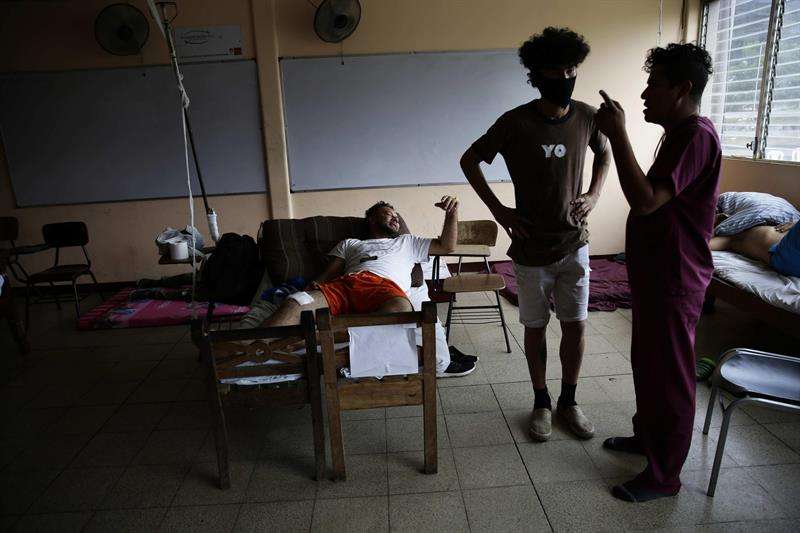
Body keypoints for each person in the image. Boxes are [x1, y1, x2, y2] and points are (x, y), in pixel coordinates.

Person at [460, 27, 611, 441]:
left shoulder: (587, 116)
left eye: (571, 68)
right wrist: (498, 209)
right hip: (529, 249)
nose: (565, 76)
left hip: (574, 243)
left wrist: (595, 194)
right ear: (536, 74)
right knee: (535, 326)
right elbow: (469, 160)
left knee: (576, 325)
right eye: (555, 70)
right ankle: (541, 401)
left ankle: (570, 401)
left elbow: (605, 152)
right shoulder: (514, 122)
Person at [594, 43, 720, 502]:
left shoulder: (695, 135)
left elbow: (646, 199)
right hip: (655, 276)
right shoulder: (678, 134)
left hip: (676, 278)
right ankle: (647, 440)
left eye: (655, 85)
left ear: (683, 89)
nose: (645, 93)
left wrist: (618, 135)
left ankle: (664, 475)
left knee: (670, 377)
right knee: (648, 367)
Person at [261, 195, 476, 377]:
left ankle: (316, 340)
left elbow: (447, 246)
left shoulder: (407, 241)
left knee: (401, 311)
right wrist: (312, 287)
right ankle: (248, 349)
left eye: (396, 215)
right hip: (346, 285)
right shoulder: (351, 243)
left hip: (385, 290)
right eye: (389, 213)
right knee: (296, 301)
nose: (396, 218)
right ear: (372, 218)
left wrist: (451, 214)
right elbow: (327, 276)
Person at [711, 221, 800, 277]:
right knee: (732, 241)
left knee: (731, 240)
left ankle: (697, 249)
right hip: (789, 260)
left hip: (786, 258)